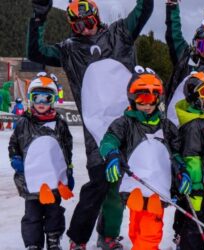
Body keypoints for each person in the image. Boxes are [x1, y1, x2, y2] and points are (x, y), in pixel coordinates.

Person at [27, 0, 154, 248]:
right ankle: (78, 237)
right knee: (99, 183)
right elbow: (35, 52)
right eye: (78, 26)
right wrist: (39, 17)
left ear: (97, 18)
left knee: (119, 186)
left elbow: (144, 10)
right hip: (96, 130)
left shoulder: (119, 33)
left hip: (127, 124)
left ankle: (108, 235)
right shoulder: (69, 49)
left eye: (89, 23)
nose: (85, 29)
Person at [98, 66, 191, 249]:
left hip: (157, 188)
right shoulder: (125, 123)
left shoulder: (166, 127)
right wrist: (111, 154)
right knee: (135, 229)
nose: (147, 105)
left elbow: (177, 152)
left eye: (152, 98)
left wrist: (182, 171)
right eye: (141, 99)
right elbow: (109, 140)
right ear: (132, 99)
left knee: (150, 235)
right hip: (135, 187)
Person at [8, 73, 74, 250]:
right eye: (37, 98)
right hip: (31, 180)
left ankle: (53, 239)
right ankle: (33, 244)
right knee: (32, 214)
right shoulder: (24, 123)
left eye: (47, 98)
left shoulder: (60, 124)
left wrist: (69, 169)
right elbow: (14, 143)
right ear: (30, 99)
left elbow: (67, 147)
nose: (42, 103)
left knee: (54, 212)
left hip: (53, 179)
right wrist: (15, 157)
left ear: (53, 100)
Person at [172, 72, 204, 249]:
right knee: (195, 230)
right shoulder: (195, 125)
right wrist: (196, 189)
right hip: (197, 190)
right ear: (195, 97)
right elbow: (192, 158)